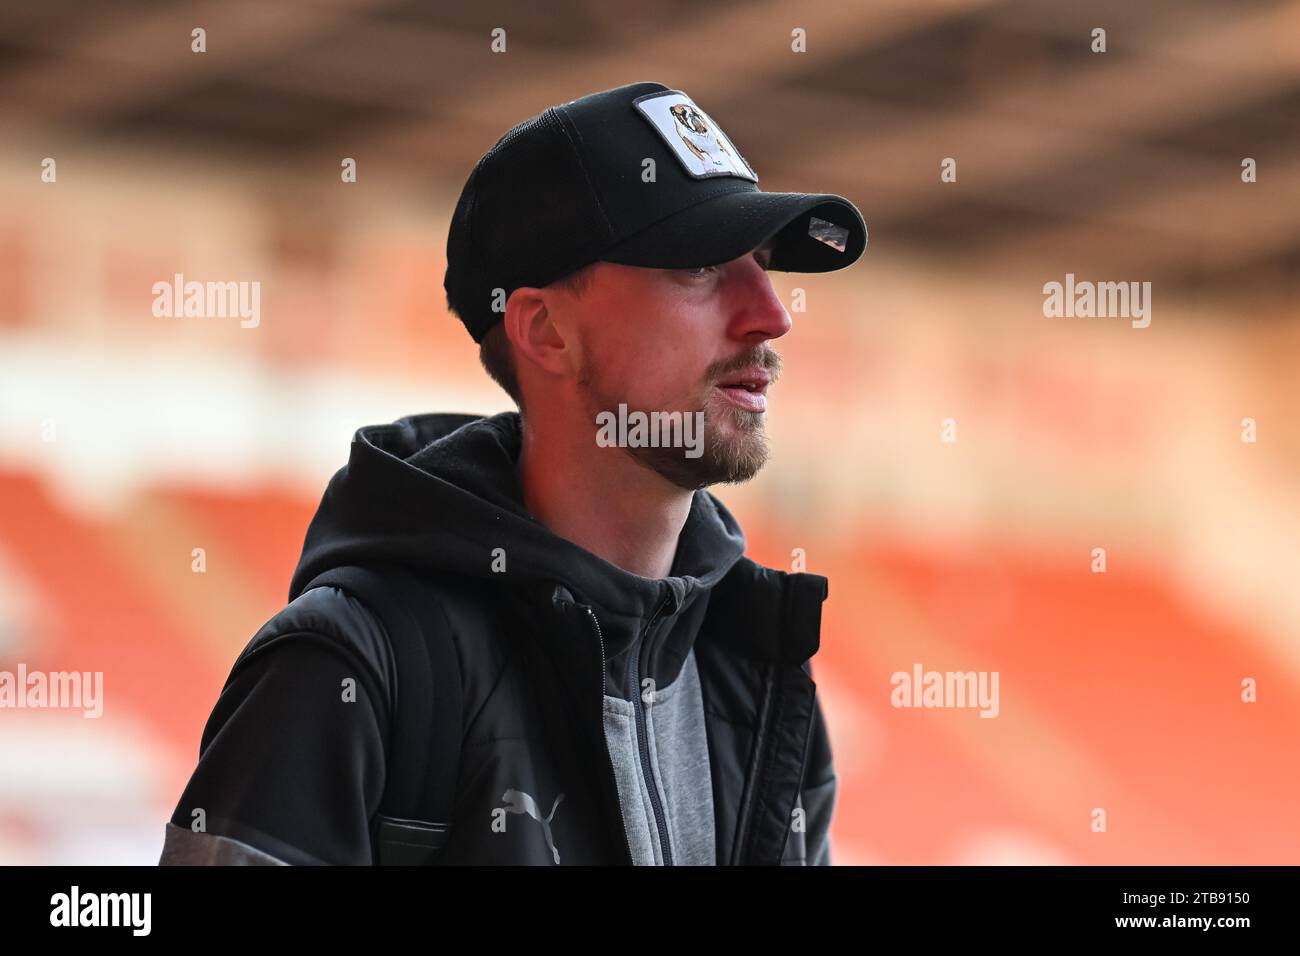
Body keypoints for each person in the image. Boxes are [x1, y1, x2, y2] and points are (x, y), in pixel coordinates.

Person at [159, 80, 867, 866]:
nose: (772, 314)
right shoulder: (353, 666)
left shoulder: (761, 684)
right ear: (545, 330)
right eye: (701, 266)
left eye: (763, 264)